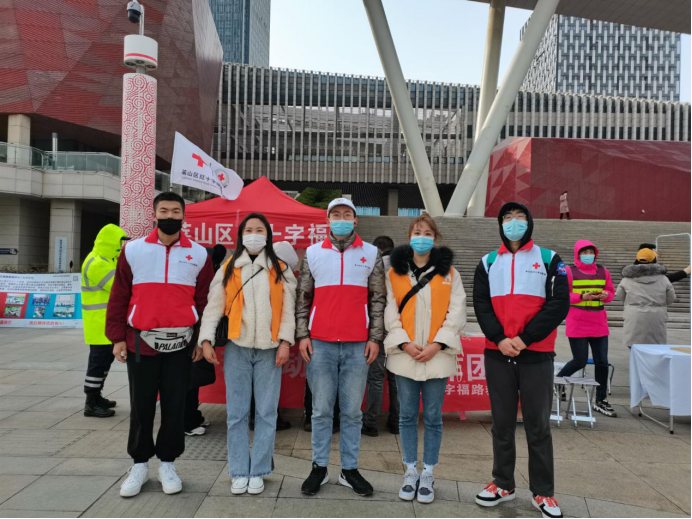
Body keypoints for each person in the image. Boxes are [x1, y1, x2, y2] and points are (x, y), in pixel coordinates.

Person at [106, 192, 214, 498]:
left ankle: (168, 463)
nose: (170, 216)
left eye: (176, 211)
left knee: (175, 404)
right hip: (141, 340)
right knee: (141, 405)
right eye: (164, 210)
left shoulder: (199, 254)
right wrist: (117, 337)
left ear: (184, 216)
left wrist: (201, 338)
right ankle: (139, 464)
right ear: (154, 215)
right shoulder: (133, 250)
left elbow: (205, 301)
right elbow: (119, 295)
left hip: (181, 342)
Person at [473, 202, 570, 519]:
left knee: (537, 426)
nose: (513, 223)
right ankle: (503, 484)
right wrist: (500, 338)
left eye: (519, 217)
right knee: (501, 423)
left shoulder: (549, 259)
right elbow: (482, 305)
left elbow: (559, 304)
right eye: (507, 218)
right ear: (500, 224)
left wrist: (525, 338)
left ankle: (543, 492)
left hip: (536, 354)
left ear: (529, 221)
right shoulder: (488, 262)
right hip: (498, 353)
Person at [197, 213, 297, 496]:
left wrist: (285, 342)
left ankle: (260, 470)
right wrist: (206, 339)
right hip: (237, 348)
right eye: (249, 230)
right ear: (241, 235)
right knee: (237, 414)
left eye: (259, 230)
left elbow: (288, 309)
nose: (254, 234)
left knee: (266, 413)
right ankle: (239, 470)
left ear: (268, 235)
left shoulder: (279, 268)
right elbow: (214, 306)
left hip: (270, 350)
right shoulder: (229, 267)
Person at [296, 198, 386, 498]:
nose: (342, 219)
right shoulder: (312, 253)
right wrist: (302, 334)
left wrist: (375, 338)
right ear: (327, 220)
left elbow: (377, 299)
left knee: (352, 412)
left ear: (356, 220)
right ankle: (319, 467)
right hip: (319, 343)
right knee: (321, 411)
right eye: (336, 215)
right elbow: (303, 297)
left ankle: (349, 469)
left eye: (347, 214)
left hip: (357, 344)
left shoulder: (371, 253)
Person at [384, 216, 466, 504]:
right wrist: (404, 343)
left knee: (433, 417)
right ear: (409, 236)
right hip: (405, 355)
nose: (422, 237)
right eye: (417, 232)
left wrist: (437, 344)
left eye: (428, 233)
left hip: (437, 355)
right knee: (406, 416)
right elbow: (390, 311)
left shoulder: (450, 273)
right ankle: (410, 471)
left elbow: (457, 311)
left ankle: (428, 472)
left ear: (435, 238)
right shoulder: (394, 272)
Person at [556, 240, 617, 418]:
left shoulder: (603, 271)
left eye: (591, 251)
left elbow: (611, 292)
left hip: (598, 321)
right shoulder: (569, 271)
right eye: (584, 252)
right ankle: (558, 382)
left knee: (602, 362)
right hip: (578, 320)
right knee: (579, 361)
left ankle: (601, 399)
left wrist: (606, 295)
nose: (588, 255)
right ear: (577, 253)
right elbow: (562, 294)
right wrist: (582, 296)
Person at [81, 224, 129, 418]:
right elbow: (118, 286)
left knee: (103, 362)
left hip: (105, 322)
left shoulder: (108, 259)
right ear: (110, 241)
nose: (122, 245)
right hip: (99, 323)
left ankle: (96, 396)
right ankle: (91, 402)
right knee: (98, 363)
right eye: (120, 242)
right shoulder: (97, 263)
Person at [363, 235, 400, 437]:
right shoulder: (404, 267)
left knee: (376, 379)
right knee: (396, 380)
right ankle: (396, 422)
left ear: (376, 249)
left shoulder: (373, 267)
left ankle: (370, 423)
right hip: (399, 331)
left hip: (378, 330)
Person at [617, 247, 677, 349]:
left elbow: (620, 295)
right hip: (657, 316)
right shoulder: (663, 279)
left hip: (634, 315)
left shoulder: (627, 279)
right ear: (654, 259)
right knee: (656, 347)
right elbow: (671, 298)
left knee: (634, 347)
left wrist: (632, 303)